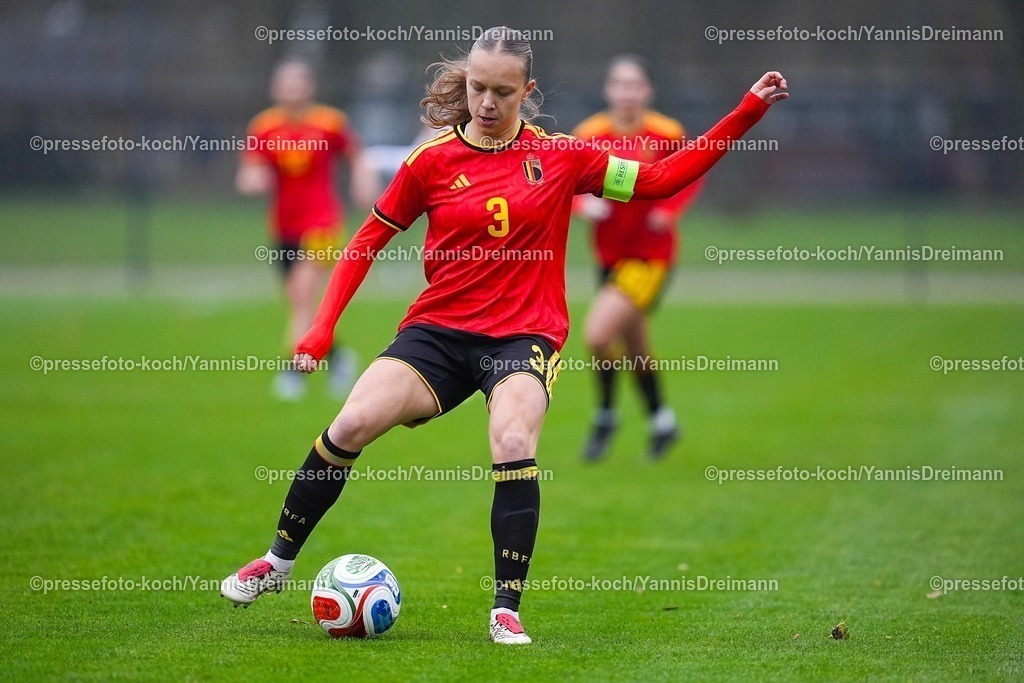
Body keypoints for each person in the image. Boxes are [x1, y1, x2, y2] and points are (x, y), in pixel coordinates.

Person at [221, 26, 787, 645]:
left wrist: (747, 111)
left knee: (512, 436)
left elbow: (663, 180)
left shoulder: (563, 157)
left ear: (527, 91)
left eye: (501, 91)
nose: (486, 103)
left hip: (524, 337)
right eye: (477, 88)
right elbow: (365, 242)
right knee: (351, 423)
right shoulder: (430, 161)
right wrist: (320, 328)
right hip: (437, 332)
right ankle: (275, 564)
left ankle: (505, 609)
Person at [573, 55, 703, 462]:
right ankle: (663, 422)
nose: (627, 93)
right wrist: (583, 206)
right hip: (609, 256)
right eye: (620, 84)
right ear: (609, 90)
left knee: (597, 335)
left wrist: (671, 209)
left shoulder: (666, 132)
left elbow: (692, 171)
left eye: (635, 85)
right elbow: (569, 181)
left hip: (649, 258)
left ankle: (605, 417)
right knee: (636, 346)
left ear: (647, 91)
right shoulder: (589, 133)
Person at [236, 57, 377, 400]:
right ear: (276, 89)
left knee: (302, 298)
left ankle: (292, 372)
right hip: (283, 227)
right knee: (301, 303)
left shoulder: (329, 123)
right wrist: (251, 180)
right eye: (286, 83)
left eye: (298, 82)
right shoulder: (264, 126)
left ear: (309, 88)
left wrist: (363, 182)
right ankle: (340, 357)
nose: (292, 89)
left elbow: (357, 157)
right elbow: (250, 170)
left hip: (323, 223)